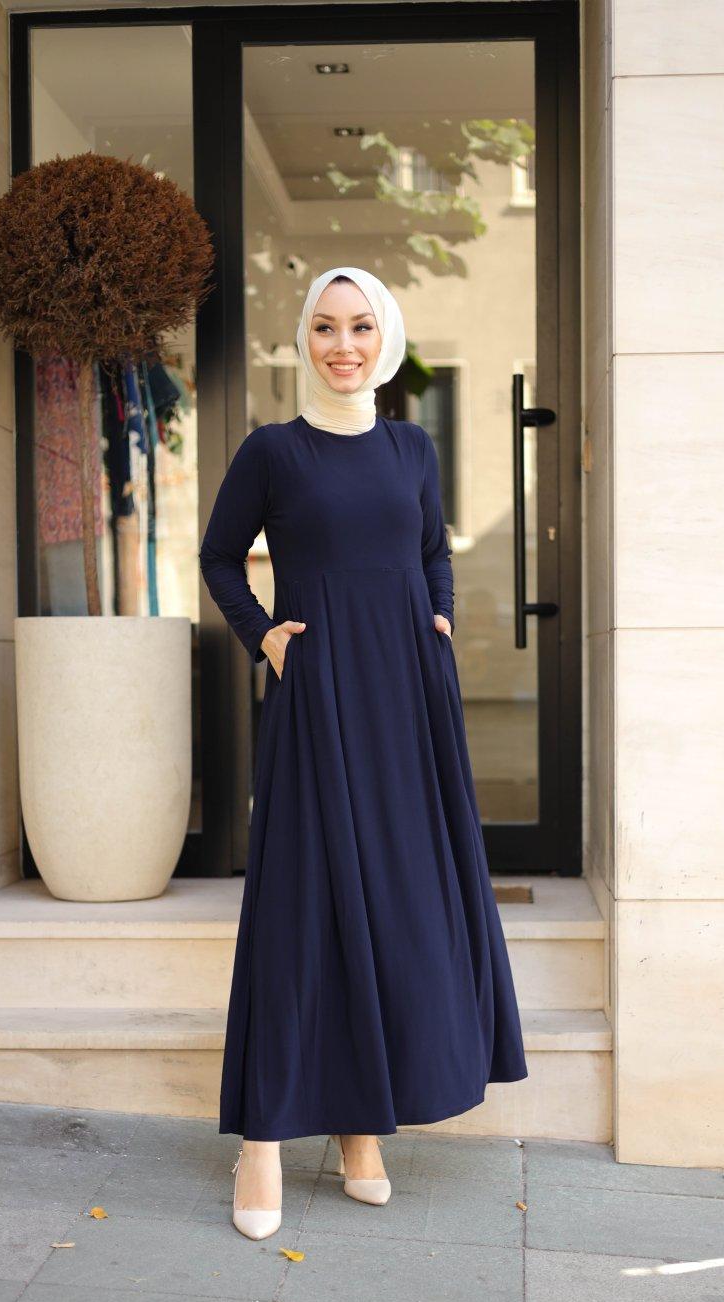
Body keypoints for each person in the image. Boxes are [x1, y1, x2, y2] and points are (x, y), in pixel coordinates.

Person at [199, 265, 528, 1240]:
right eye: (325, 328)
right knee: (300, 907)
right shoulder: (273, 451)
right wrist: (262, 635)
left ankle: (359, 1126)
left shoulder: (412, 448)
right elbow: (219, 556)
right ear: (305, 339)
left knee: (389, 903)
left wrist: (440, 617)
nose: (342, 346)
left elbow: (431, 550)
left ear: (385, 338)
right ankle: (263, 1138)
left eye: (360, 328)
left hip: (406, 698)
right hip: (317, 692)